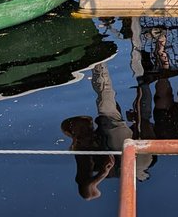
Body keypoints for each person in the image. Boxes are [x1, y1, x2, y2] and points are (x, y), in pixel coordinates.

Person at [61, 62, 151, 199]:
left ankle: (143, 82)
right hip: (126, 161)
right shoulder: (81, 150)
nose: (89, 123)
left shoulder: (88, 144)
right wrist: (103, 172)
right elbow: (87, 193)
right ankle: (99, 63)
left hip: (138, 162)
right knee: (105, 105)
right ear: (75, 135)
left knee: (112, 114)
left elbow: (86, 190)